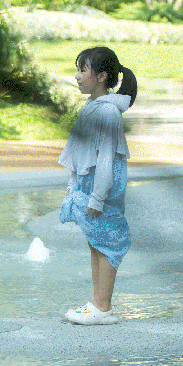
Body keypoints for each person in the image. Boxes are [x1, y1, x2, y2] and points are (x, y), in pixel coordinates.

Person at [58, 46, 138, 326]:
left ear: (102, 76)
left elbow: (105, 159)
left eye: (83, 70)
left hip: (102, 191)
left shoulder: (108, 113)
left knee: (107, 245)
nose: (77, 76)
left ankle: (103, 307)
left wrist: (97, 197)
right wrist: (74, 183)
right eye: (78, 69)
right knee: (96, 244)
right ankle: (97, 303)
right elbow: (82, 152)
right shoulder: (93, 108)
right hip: (90, 187)